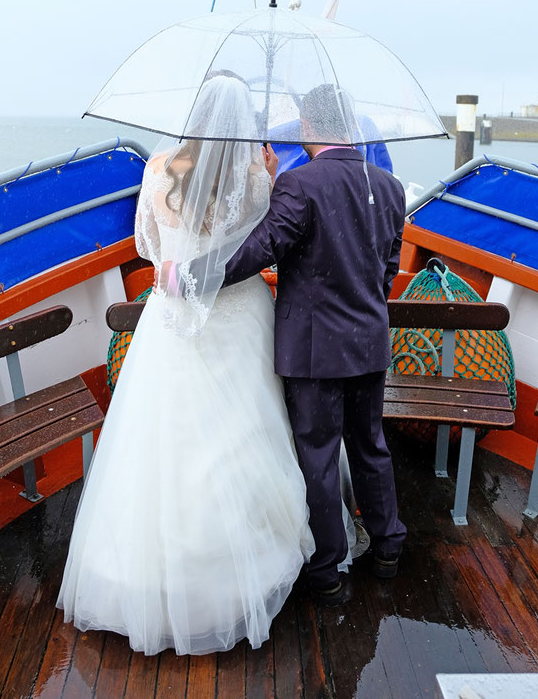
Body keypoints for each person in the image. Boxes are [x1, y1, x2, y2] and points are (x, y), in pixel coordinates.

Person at [56, 74, 315, 656]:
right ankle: (238, 574)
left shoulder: (157, 172)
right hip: (239, 318)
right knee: (244, 435)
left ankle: (139, 581)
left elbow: (147, 248)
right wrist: (270, 180)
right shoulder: (257, 182)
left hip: (169, 321)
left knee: (157, 441)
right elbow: (258, 246)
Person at [173, 83, 407, 604]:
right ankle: (389, 545)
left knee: (319, 455)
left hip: (313, 350)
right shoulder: (390, 187)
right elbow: (387, 268)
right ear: (347, 125)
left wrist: (193, 277)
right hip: (368, 343)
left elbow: (260, 249)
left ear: (308, 127)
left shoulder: (300, 185)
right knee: (370, 446)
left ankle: (326, 573)